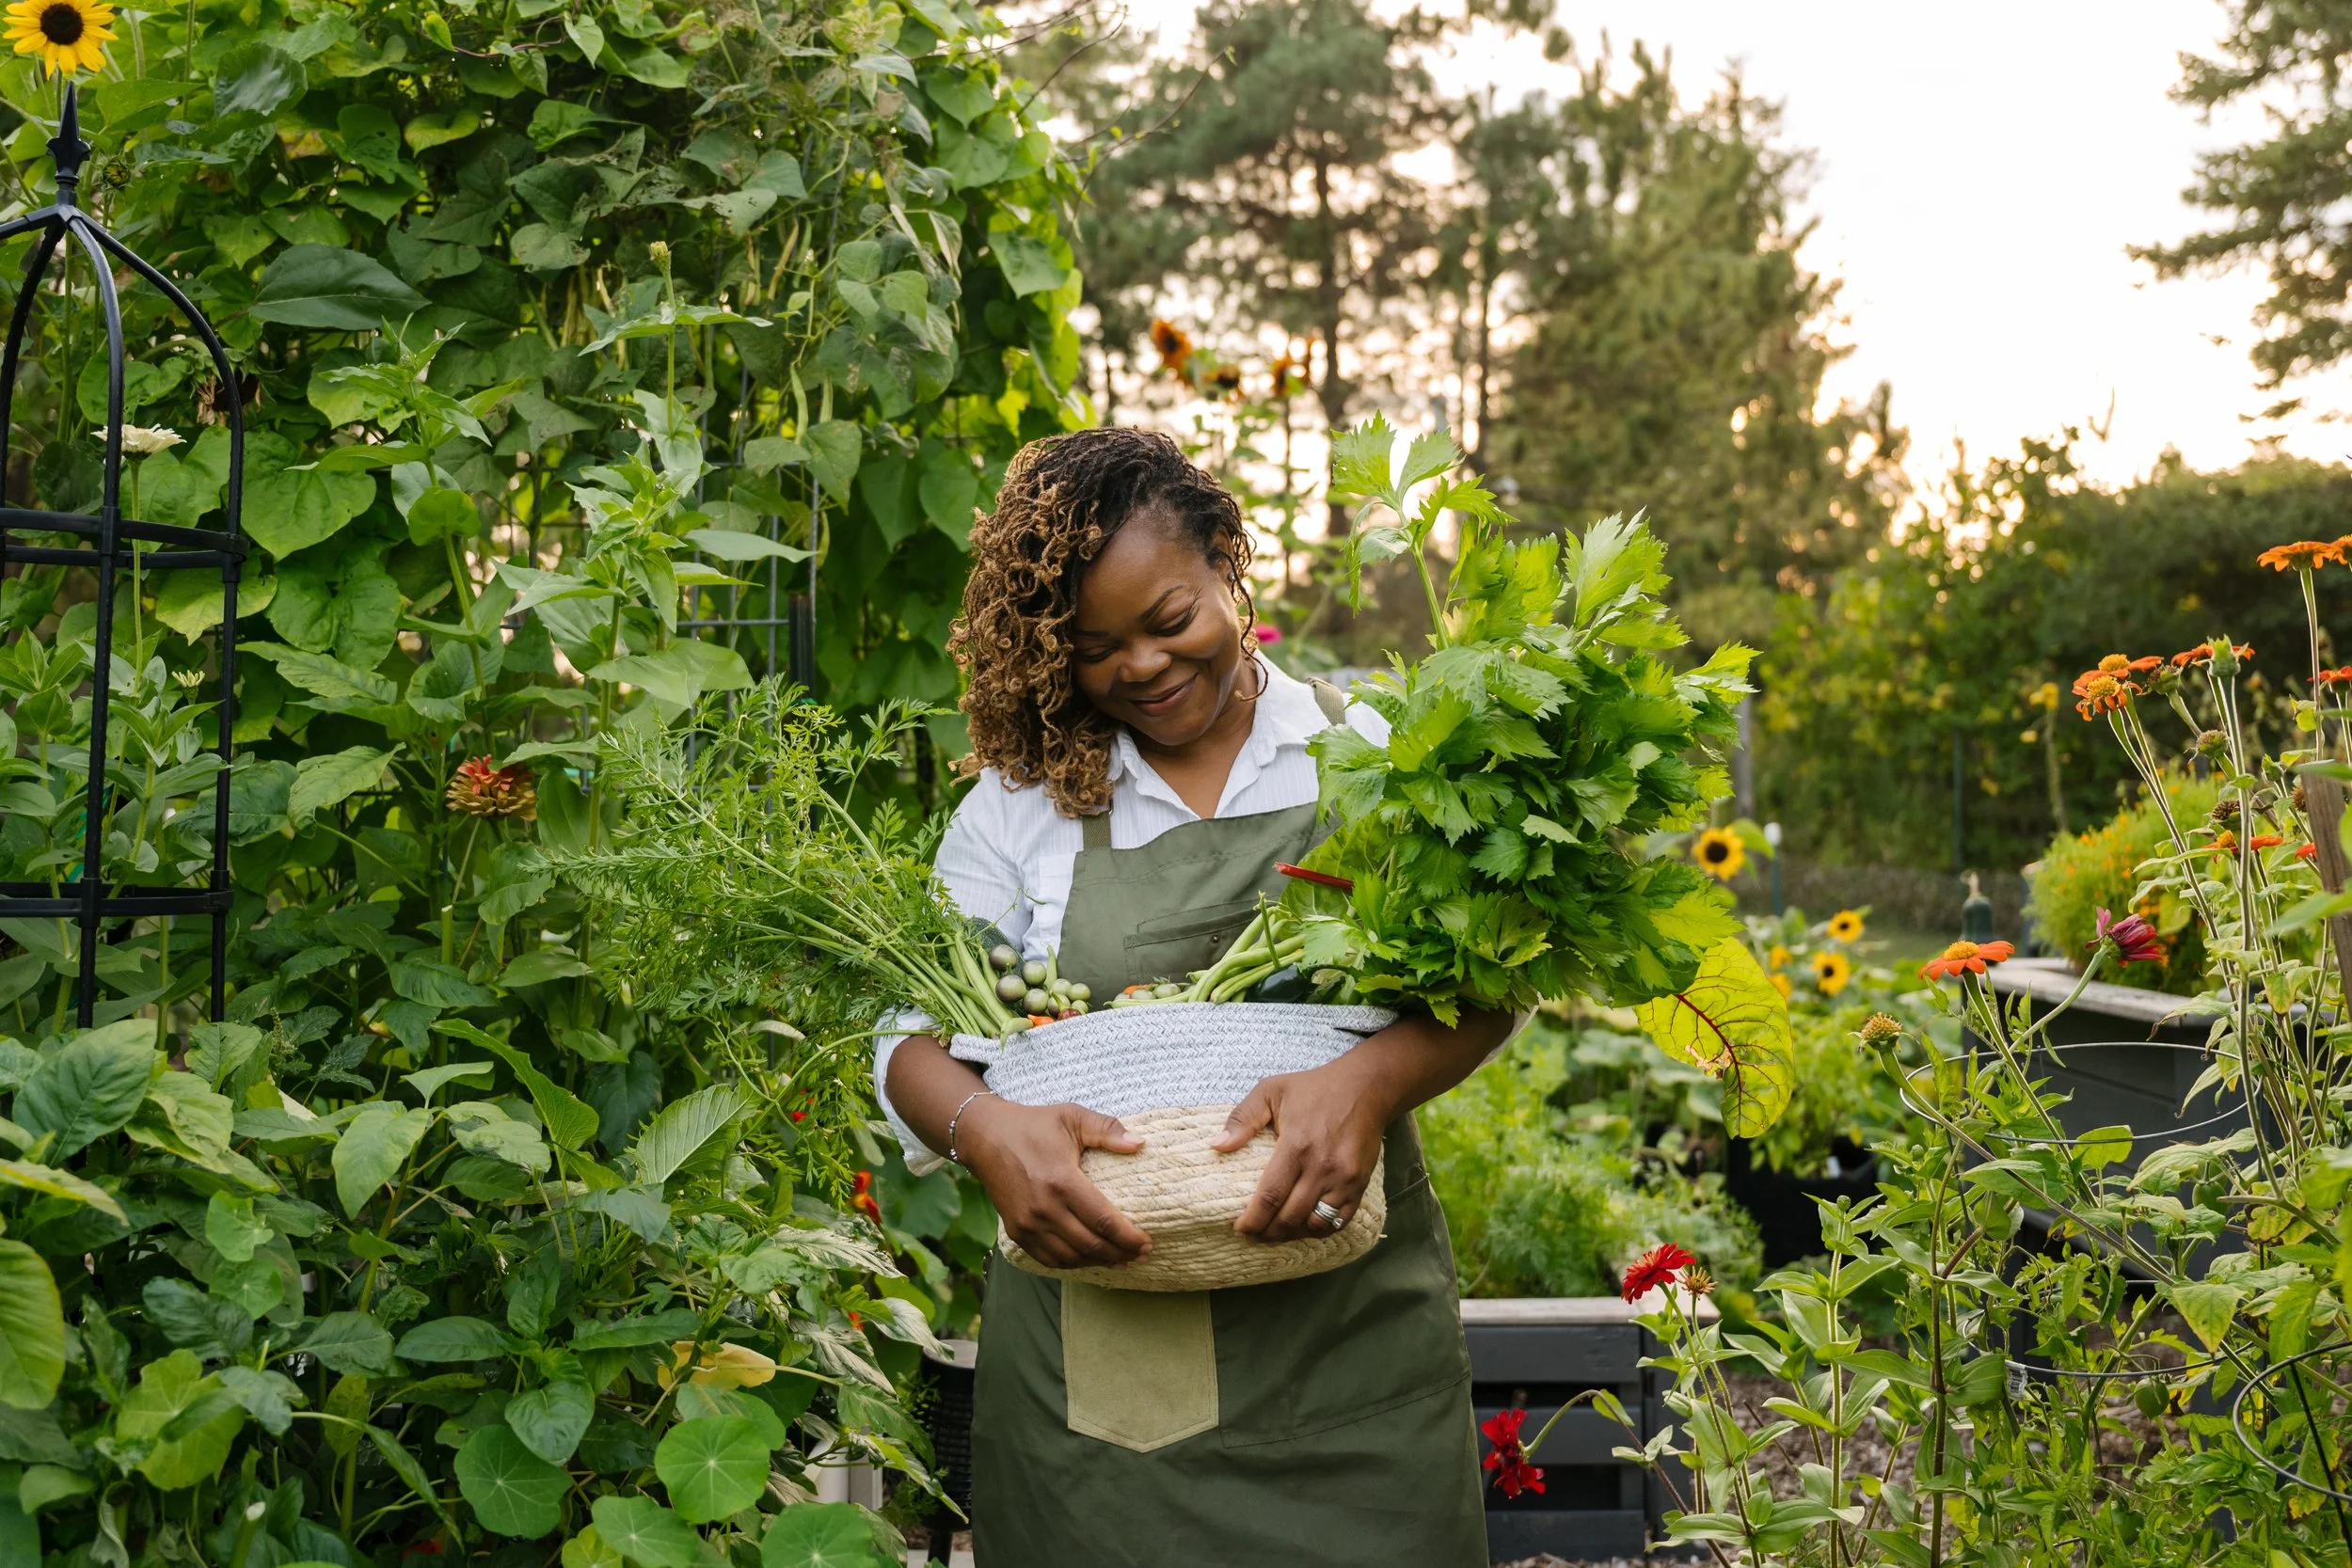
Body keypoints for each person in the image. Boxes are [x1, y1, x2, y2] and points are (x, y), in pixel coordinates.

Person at [876, 427, 1509, 1566]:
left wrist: (1364, 1083)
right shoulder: (1020, 805)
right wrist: (984, 1129)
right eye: (1095, 645)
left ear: (1227, 559)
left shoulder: (1366, 751)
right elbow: (904, 1040)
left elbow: (1488, 984)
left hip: (1353, 1359)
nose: (1142, 668)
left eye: (1169, 621)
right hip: (1108, 1393)